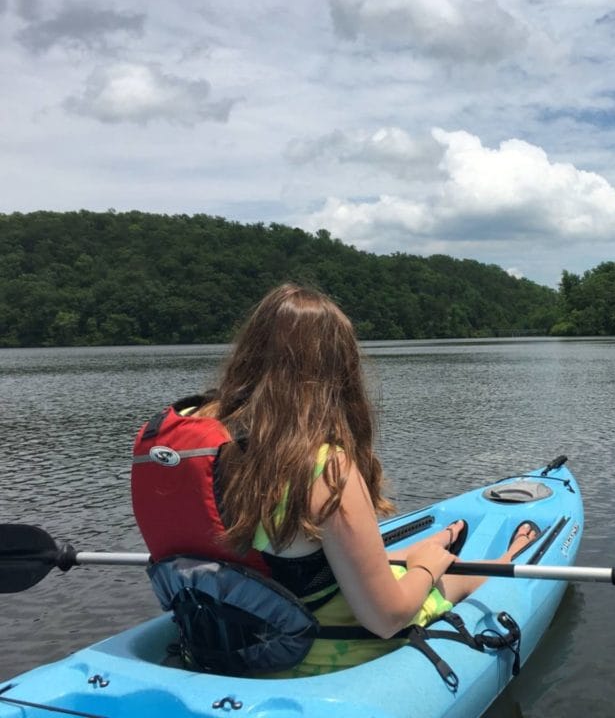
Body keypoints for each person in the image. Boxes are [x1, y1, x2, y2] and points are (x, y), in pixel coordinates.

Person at [133, 283, 540, 676]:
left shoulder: (195, 448)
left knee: (384, 559)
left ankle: (428, 546)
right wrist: (428, 569)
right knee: (458, 573)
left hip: (225, 640)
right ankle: (502, 557)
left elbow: (276, 565)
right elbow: (386, 619)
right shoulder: (323, 467)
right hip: (313, 656)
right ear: (338, 372)